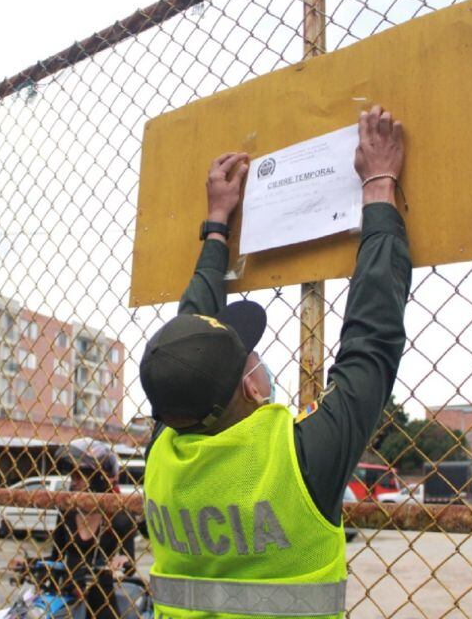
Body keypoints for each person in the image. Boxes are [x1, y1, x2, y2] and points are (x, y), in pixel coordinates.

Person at [139, 105, 410, 618]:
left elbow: (187, 339)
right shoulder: (297, 462)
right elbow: (371, 339)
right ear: (252, 389)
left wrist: (216, 224)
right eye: (250, 355)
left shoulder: (162, 459)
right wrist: (378, 186)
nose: (257, 357)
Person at [8, 438, 137, 619]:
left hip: (100, 599)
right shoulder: (67, 513)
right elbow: (56, 557)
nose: (73, 481)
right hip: (67, 594)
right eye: (72, 475)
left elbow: (129, 565)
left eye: (79, 476)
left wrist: (121, 560)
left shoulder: (120, 518)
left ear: (99, 478)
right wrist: (29, 563)